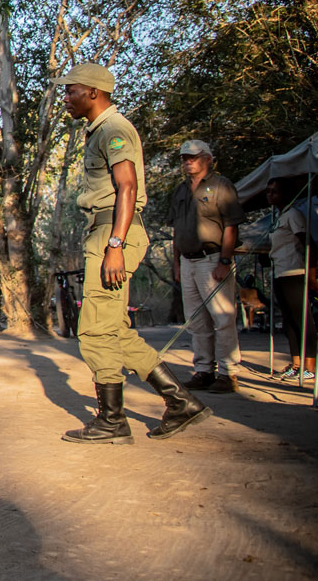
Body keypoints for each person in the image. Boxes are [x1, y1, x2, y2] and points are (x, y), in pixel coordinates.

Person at [53, 63, 210, 443]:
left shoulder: (114, 130)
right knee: (116, 331)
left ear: (93, 92)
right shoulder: (101, 131)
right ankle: (181, 403)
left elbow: (128, 187)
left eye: (71, 90)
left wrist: (115, 246)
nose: (66, 97)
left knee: (93, 331)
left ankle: (112, 421)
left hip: (113, 232)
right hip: (107, 231)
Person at [168, 140, 246, 393]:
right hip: (187, 260)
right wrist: (177, 265)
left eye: (192, 157)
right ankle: (203, 370)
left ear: (208, 159)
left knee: (222, 317)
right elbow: (176, 230)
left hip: (212, 259)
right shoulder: (180, 190)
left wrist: (225, 260)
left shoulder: (221, 186)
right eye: (184, 158)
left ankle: (228, 373)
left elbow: (231, 226)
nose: (187, 161)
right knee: (196, 320)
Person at [266, 178, 316, 383]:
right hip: (280, 273)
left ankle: (310, 366)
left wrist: (311, 274)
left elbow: (308, 243)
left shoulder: (293, 215)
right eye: (268, 192)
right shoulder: (278, 218)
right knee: (288, 321)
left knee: (302, 320)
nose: (270, 195)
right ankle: (296, 364)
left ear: (285, 194)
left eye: (274, 192)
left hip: (295, 273)